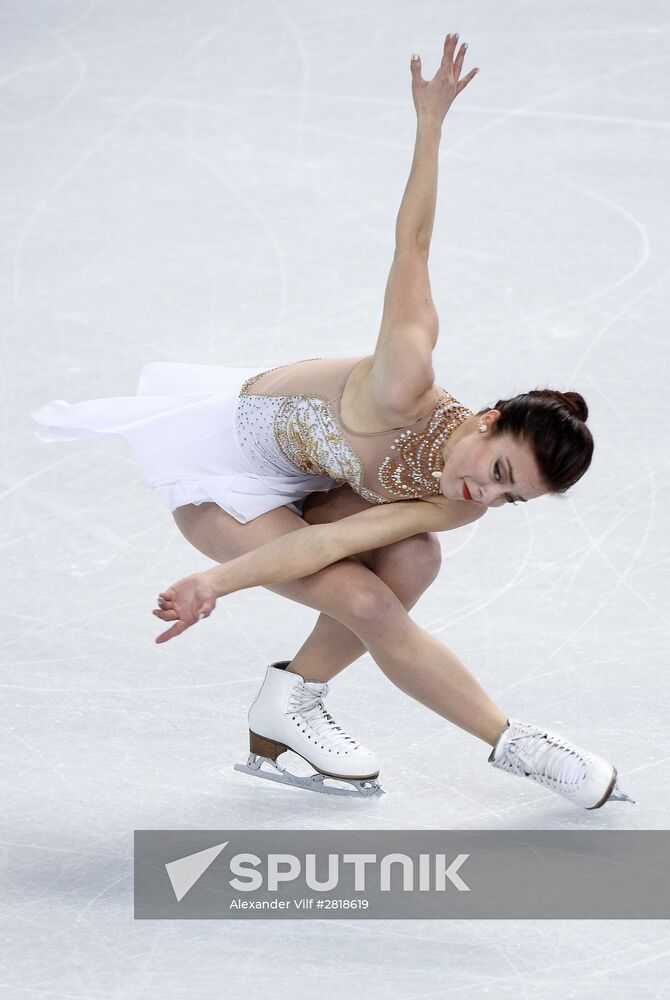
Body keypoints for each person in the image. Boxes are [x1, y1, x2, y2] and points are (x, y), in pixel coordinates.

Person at [31, 34, 634, 810]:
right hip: (225, 471)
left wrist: (223, 582)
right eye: (499, 473)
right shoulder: (402, 380)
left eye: (511, 499)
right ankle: (514, 744)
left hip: (304, 488)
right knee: (369, 601)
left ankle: (291, 701)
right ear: (487, 423)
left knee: (413, 560)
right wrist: (431, 125)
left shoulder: (456, 502)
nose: (487, 498)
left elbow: (336, 539)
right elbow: (412, 245)